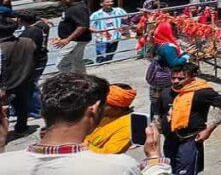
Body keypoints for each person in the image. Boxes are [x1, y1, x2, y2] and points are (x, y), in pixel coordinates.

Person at [5, 72, 172, 174]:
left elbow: (109, 151)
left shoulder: (5, 163)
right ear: (94, 109)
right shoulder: (119, 167)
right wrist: (155, 160)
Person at [157, 63, 221, 175]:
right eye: (173, 78)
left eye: (181, 78)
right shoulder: (166, 92)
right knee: (170, 169)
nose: (176, 81)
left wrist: (210, 128)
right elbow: (159, 114)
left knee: (186, 171)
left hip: (190, 139)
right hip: (170, 139)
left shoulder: (202, 92)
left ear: (192, 77)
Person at [0, 16, 36, 136]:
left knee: (4, 110)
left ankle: (3, 133)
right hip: (24, 78)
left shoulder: (2, 47)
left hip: (4, 85)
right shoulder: (28, 42)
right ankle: (22, 127)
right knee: (22, 105)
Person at [148, 21, 190, 117]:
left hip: (157, 78)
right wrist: (186, 56)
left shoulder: (158, 42)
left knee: (156, 103)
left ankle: (154, 120)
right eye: (173, 30)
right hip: (165, 80)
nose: (176, 32)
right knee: (166, 102)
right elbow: (174, 64)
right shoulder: (168, 47)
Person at [15, 11, 50, 117]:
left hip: (34, 61)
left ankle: (38, 110)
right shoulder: (43, 26)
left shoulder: (29, 33)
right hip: (42, 57)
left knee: (31, 86)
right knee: (32, 85)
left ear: (21, 20)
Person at [85, 83, 137, 154]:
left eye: (103, 104)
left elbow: (109, 155)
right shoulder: (103, 114)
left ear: (117, 109)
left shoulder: (127, 127)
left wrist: (81, 145)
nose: (96, 106)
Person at [53, 0, 92, 73]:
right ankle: (82, 79)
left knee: (62, 64)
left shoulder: (77, 8)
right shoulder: (74, 6)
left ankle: (71, 81)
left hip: (75, 40)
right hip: (76, 39)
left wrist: (67, 39)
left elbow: (82, 26)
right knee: (77, 61)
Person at [90, 0, 128, 64]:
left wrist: (124, 28)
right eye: (107, 2)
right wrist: (97, 31)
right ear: (101, 4)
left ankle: (107, 67)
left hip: (115, 37)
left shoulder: (119, 10)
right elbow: (88, 25)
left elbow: (127, 19)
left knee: (109, 56)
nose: (110, 3)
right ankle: (100, 68)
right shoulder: (96, 14)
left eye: (111, 1)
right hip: (102, 39)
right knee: (101, 57)